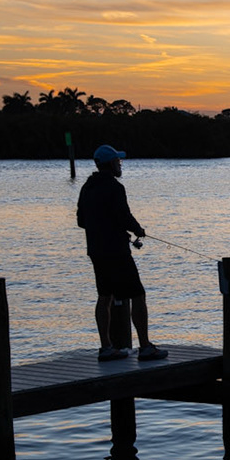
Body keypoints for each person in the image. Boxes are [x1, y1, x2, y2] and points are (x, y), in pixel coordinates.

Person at [76, 145, 167, 361]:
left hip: (96, 251)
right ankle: (145, 346)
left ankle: (106, 347)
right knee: (137, 294)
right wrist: (138, 230)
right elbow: (124, 216)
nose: (120, 165)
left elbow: (81, 221)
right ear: (110, 164)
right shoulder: (115, 188)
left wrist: (104, 228)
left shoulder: (87, 188)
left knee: (104, 296)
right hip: (116, 251)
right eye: (118, 161)